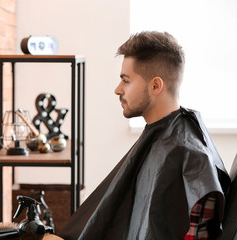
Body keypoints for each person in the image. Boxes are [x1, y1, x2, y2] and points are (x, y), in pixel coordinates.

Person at [57, 31, 231, 239]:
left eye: (126, 81)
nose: (117, 89)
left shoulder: (189, 154)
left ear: (155, 85)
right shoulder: (162, 136)